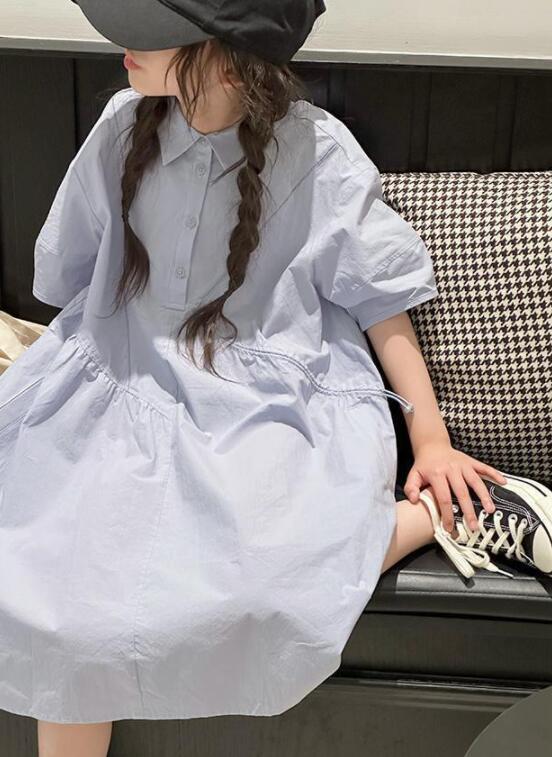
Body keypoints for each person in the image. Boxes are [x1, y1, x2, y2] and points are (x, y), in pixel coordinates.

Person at [0, 1, 551, 754]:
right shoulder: (121, 128)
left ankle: (449, 515)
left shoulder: (316, 151)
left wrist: (431, 438)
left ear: (229, 61)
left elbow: (380, 298)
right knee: (51, 587)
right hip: (119, 377)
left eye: (154, 29)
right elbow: (69, 277)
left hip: (256, 402)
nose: (124, 42)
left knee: (267, 580)